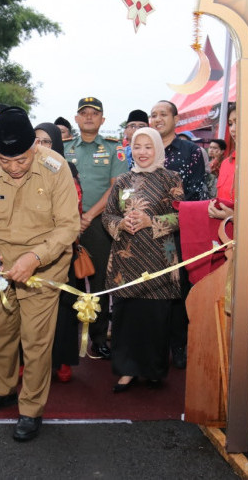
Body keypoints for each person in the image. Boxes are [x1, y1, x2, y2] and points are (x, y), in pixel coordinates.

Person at [0, 107, 79, 441]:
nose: (14, 168)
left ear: (34, 147)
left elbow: (69, 225)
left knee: (35, 340)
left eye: (22, 160)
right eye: (6, 160)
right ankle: (1, 390)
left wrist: (36, 257)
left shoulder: (55, 168)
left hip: (43, 266)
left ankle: (30, 409)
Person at [102, 127, 184, 391]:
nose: (143, 152)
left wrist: (153, 221)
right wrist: (121, 224)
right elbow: (108, 216)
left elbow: (183, 216)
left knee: (155, 319)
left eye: (148, 147)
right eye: (138, 147)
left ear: (158, 148)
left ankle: (152, 370)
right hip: (126, 263)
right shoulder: (123, 181)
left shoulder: (171, 179)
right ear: (131, 149)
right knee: (126, 317)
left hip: (159, 261)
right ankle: (126, 370)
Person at [63, 97, 129, 360]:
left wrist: (88, 216)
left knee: (100, 281)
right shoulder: (64, 147)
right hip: (66, 224)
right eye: (84, 113)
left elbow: (116, 187)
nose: (89, 117)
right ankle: (67, 336)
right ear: (76, 119)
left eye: (94, 114)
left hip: (99, 224)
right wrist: (73, 218)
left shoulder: (115, 149)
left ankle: (99, 338)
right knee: (68, 280)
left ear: (103, 120)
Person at [150, 100, 208, 369]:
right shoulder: (144, 149)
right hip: (147, 235)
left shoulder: (191, 151)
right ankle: (155, 347)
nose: (157, 118)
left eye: (163, 114)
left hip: (180, 232)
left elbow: (198, 194)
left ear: (176, 118)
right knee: (155, 289)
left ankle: (180, 344)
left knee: (181, 290)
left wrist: (169, 218)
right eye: (153, 115)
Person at [34, 122, 81, 382]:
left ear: (57, 146)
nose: (40, 147)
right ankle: (26, 360)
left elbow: (72, 212)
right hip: (29, 248)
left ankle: (61, 360)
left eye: (47, 142)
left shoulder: (68, 169)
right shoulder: (23, 166)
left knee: (62, 307)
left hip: (61, 248)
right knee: (28, 308)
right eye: (36, 141)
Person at [209, 105, 236, 219]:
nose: (233, 129)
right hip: (222, 233)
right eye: (230, 124)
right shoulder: (226, 164)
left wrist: (235, 218)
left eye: (237, 122)